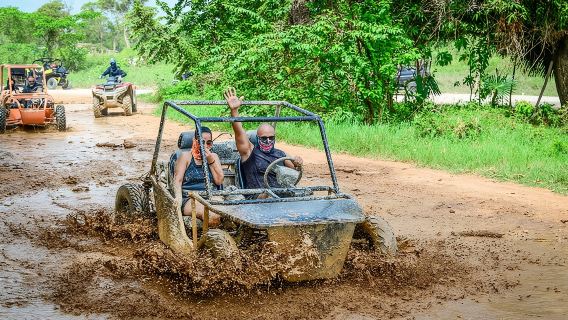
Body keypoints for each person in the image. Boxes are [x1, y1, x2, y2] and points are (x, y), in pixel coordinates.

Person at [224, 87, 303, 196]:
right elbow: (239, 132)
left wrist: (298, 163)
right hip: (258, 197)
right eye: (264, 138)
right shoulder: (249, 152)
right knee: (268, 194)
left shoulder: (281, 154)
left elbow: (295, 176)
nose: (268, 141)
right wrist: (234, 111)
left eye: (271, 138)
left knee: (303, 194)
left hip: (280, 196)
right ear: (257, 138)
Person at [174, 127, 224, 226]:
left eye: (208, 143)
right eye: (201, 142)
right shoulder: (185, 157)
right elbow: (177, 180)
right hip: (190, 198)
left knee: (229, 211)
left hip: (211, 195)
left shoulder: (213, 156)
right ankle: (211, 237)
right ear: (195, 141)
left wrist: (210, 161)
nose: (204, 146)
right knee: (211, 214)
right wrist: (178, 198)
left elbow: (219, 181)